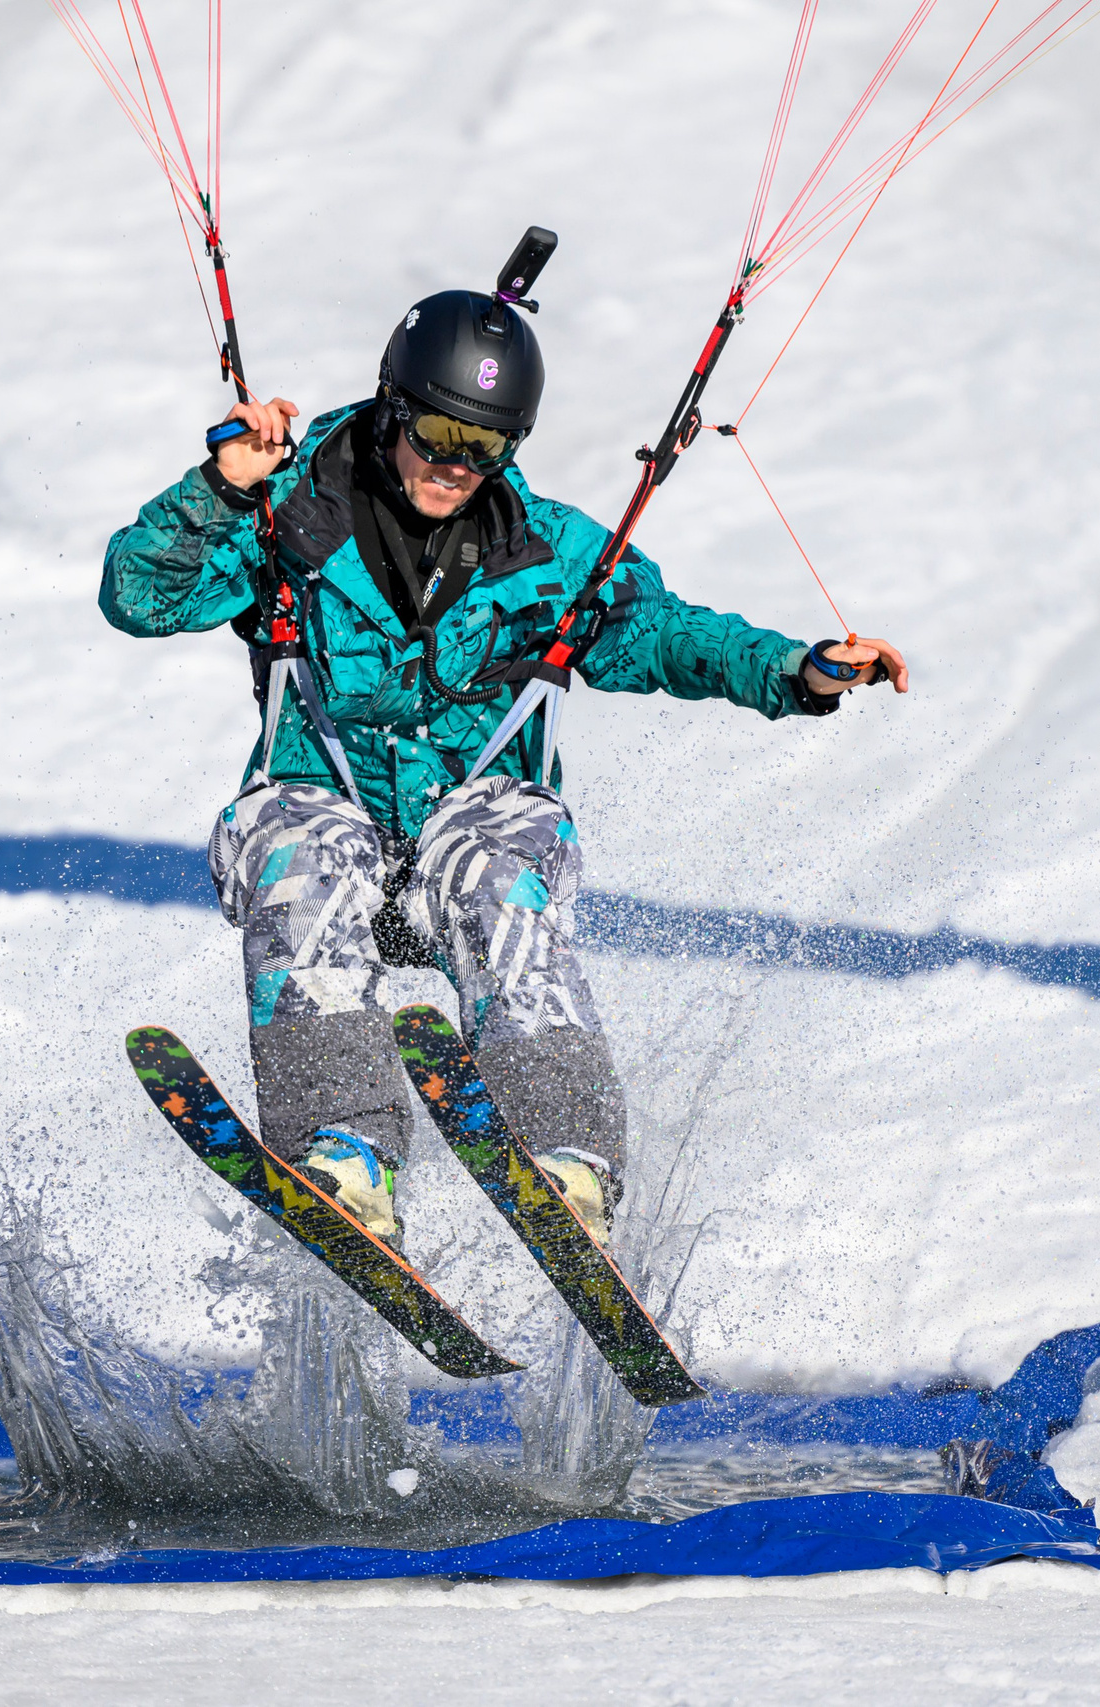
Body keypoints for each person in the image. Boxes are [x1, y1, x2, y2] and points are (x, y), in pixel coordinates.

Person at [101, 279, 906, 1251]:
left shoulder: (550, 554)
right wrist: (222, 489)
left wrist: (794, 670)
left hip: (469, 821)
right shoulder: (284, 518)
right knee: (299, 864)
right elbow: (139, 597)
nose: (453, 466)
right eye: (438, 436)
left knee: (499, 870)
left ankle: (568, 1164)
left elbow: (657, 634)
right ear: (394, 408)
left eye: (483, 449)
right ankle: (342, 1159)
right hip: (320, 805)